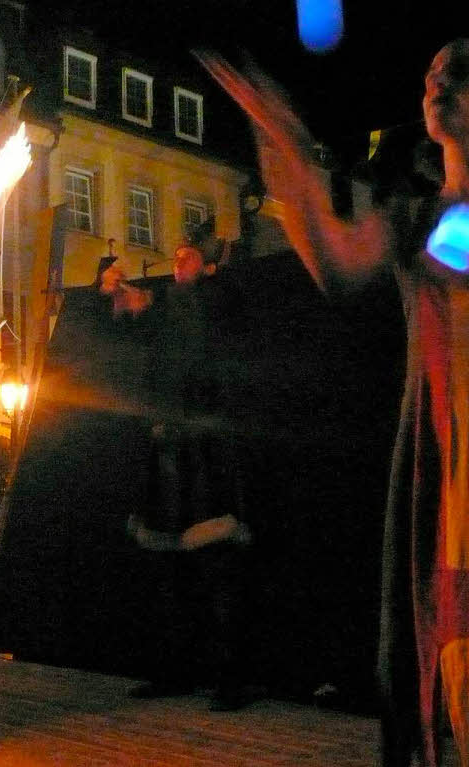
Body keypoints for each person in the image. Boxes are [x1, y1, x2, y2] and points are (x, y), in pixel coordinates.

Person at [197, 40, 469, 765]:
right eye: (433, 70)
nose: (440, 77)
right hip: (453, 484)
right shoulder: (417, 217)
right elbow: (338, 263)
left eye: (462, 68)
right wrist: (279, 137)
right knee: (455, 666)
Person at [104, 240, 250, 711]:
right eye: (177, 256)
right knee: (167, 570)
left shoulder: (220, 297)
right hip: (167, 451)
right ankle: (175, 669)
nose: (177, 262)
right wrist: (116, 296)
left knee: (214, 567)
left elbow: (201, 334)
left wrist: (150, 303)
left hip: (208, 454)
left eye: (187, 256)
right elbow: (129, 339)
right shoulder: (169, 313)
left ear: (208, 266)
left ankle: (231, 678)